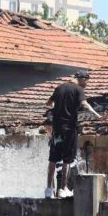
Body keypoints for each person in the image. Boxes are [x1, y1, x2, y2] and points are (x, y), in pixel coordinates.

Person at [45, 70, 101, 199]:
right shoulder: (78, 90)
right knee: (67, 159)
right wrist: (97, 115)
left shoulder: (59, 88)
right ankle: (63, 189)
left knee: (53, 159)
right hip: (69, 129)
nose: (86, 84)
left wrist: (58, 109)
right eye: (86, 81)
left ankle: (48, 189)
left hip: (57, 129)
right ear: (82, 79)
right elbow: (84, 104)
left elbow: (48, 103)